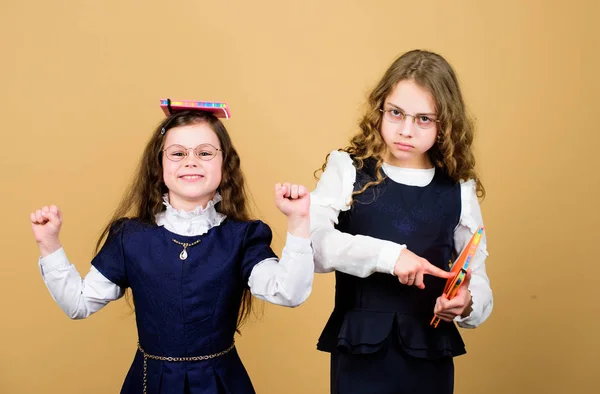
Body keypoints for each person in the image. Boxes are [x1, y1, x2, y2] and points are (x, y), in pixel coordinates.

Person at [30, 105, 314, 394]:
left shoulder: (242, 237)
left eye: (205, 153)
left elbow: (288, 292)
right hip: (150, 384)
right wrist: (49, 244)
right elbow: (78, 304)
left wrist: (299, 221)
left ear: (224, 165)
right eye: (178, 153)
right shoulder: (131, 237)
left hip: (221, 385)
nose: (191, 162)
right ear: (159, 166)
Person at [310, 49, 493, 394]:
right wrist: (390, 258)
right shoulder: (347, 168)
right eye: (396, 113)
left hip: (429, 354)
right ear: (379, 108)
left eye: (424, 118)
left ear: (445, 124)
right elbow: (314, 245)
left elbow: (477, 274)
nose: (406, 130)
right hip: (359, 351)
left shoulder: (458, 189)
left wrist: (466, 303)